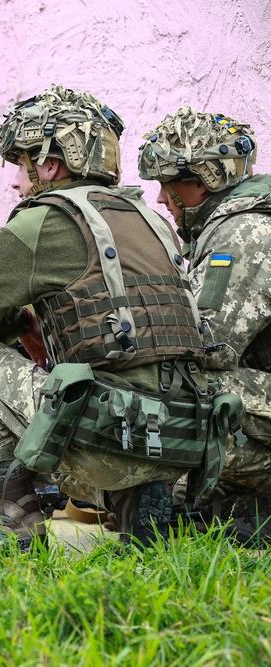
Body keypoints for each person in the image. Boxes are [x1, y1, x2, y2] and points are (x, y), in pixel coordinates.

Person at [0, 85, 241, 549]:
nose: (15, 181)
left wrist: (17, 324)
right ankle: (134, 499)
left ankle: (14, 518)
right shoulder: (149, 219)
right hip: (186, 442)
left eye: (20, 163)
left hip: (110, 438)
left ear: (50, 164)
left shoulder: (42, 221)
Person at [138, 107, 271, 544]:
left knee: (161, 389)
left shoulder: (243, 231)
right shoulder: (236, 222)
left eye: (166, 185)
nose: (160, 199)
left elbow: (207, 345)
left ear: (199, 182)